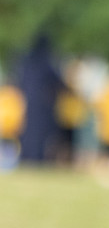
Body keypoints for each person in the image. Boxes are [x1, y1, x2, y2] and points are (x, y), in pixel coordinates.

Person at [16, 34, 63, 165]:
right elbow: (57, 82)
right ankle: (37, 158)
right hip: (42, 104)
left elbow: (19, 81)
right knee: (41, 134)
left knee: (28, 131)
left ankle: (26, 157)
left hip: (26, 101)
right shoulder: (46, 60)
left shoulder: (25, 60)